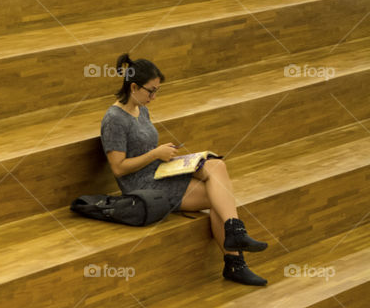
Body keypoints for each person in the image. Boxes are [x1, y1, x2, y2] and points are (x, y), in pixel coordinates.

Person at [99, 53, 269, 286]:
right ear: (134, 87)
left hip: (159, 171)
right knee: (217, 196)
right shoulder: (114, 119)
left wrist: (164, 157)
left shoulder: (141, 109)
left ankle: (235, 233)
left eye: (157, 91)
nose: (154, 97)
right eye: (151, 91)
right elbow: (118, 169)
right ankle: (234, 261)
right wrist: (155, 154)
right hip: (143, 187)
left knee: (216, 165)